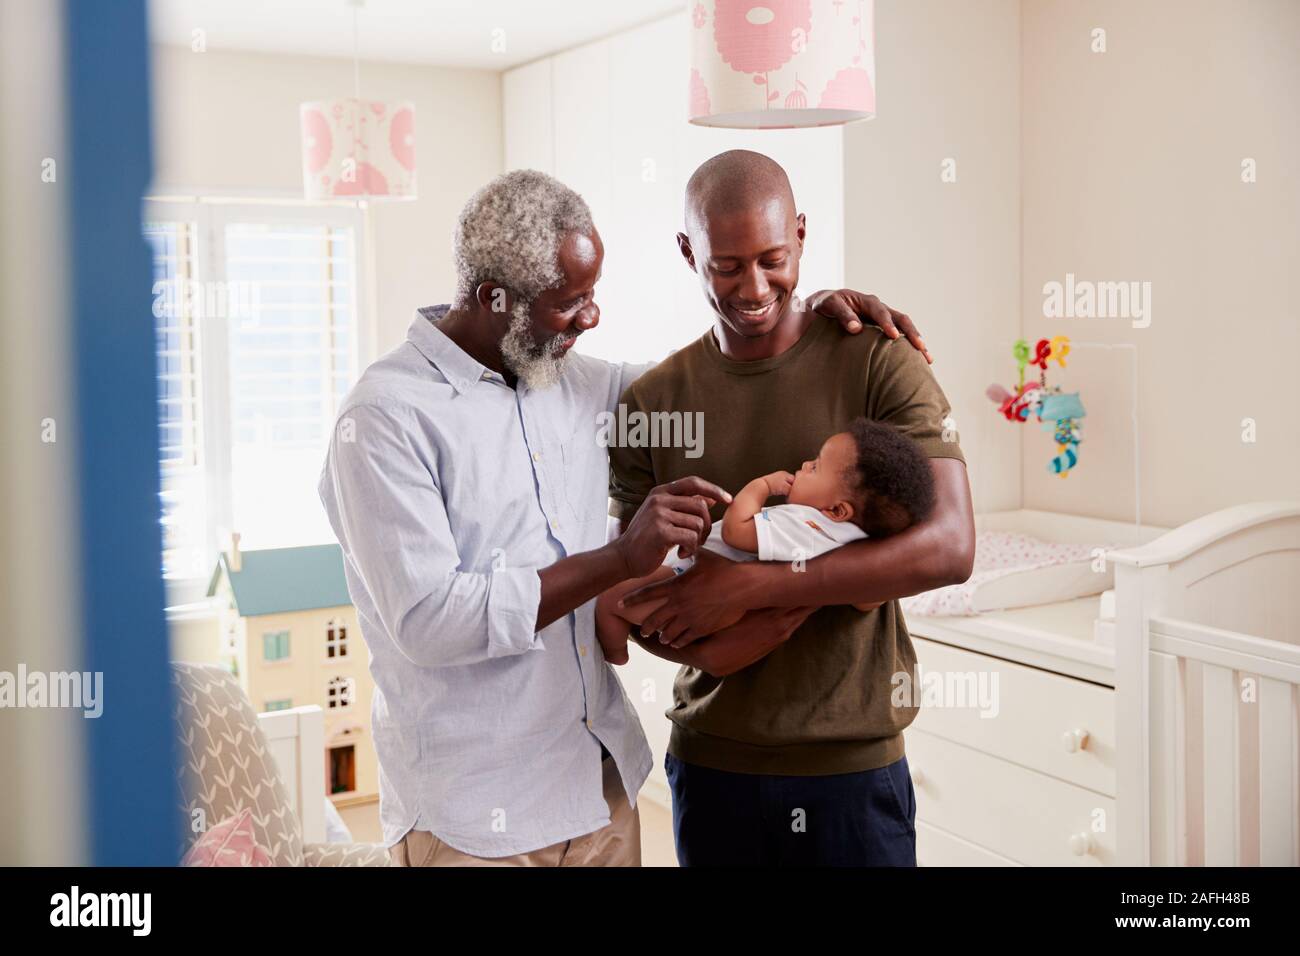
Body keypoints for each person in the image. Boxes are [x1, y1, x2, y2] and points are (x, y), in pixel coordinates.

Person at [317, 168, 928, 866]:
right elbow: (431, 622)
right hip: (474, 821)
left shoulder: (583, 384)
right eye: (569, 303)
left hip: (597, 789)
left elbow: (728, 376)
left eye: (593, 294)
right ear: (495, 298)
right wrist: (619, 561)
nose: (591, 317)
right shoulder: (385, 418)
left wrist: (810, 319)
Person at [608, 150, 977, 867]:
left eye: (774, 258)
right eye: (726, 266)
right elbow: (631, 593)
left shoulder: (875, 358)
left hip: (852, 774)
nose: (754, 287)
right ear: (688, 252)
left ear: (802, 234)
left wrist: (754, 585)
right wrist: (704, 642)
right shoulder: (650, 403)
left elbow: (952, 546)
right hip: (713, 770)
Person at [594, 418, 936, 665]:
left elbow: (736, 531)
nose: (803, 465)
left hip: (690, 578)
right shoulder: (857, 541)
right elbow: (865, 600)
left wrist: (762, 487)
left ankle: (614, 652)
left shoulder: (803, 522)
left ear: (836, 509)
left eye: (815, 468)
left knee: (611, 600)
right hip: (741, 617)